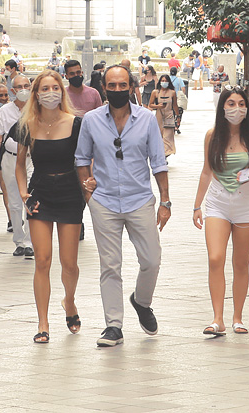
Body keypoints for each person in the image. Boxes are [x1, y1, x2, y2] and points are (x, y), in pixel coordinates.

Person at [75, 64, 170, 348]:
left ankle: (141, 302)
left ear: (132, 87)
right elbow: (81, 159)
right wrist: (88, 192)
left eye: (122, 85)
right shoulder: (91, 120)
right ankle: (113, 325)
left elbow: (159, 162)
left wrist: (165, 201)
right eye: (112, 86)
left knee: (151, 260)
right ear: (104, 88)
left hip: (140, 199)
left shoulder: (146, 119)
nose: (117, 90)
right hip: (103, 201)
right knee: (110, 266)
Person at [193, 88, 249, 336]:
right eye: (231, 103)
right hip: (217, 202)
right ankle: (217, 319)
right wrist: (197, 206)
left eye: (241, 104)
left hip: (247, 204)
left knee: (240, 263)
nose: (236, 108)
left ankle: (237, 317)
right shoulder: (212, 136)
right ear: (222, 107)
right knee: (215, 258)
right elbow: (206, 171)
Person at [16, 70, 84, 343]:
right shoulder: (27, 125)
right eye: (45, 88)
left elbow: (85, 161)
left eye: (55, 87)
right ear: (36, 94)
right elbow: (19, 164)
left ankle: (69, 301)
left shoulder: (75, 123)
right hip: (40, 194)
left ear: (62, 91)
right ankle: (43, 323)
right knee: (42, 261)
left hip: (69, 193)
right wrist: (24, 195)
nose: (50, 93)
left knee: (69, 264)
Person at [0, 73, 34, 258]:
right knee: (15, 202)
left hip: (32, 160)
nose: (23, 89)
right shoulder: (4, 112)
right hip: (10, 159)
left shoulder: (37, 110)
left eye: (27, 85)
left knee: (31, 199)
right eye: (19, 87)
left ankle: (31, 241)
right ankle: (19, 240)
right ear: (13, 90)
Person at [150, 73, 179, 157]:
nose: (164, 82)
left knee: (167, 138)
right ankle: (161, 154)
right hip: (159, 116)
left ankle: (165, 154)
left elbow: (175, 105)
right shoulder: (155, 92)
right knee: (159, 137)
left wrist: (178, 117)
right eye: (162, 81)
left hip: (169, 116)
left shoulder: (172, 93)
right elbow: (150, 104)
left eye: (166, 81)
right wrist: (158, 106)